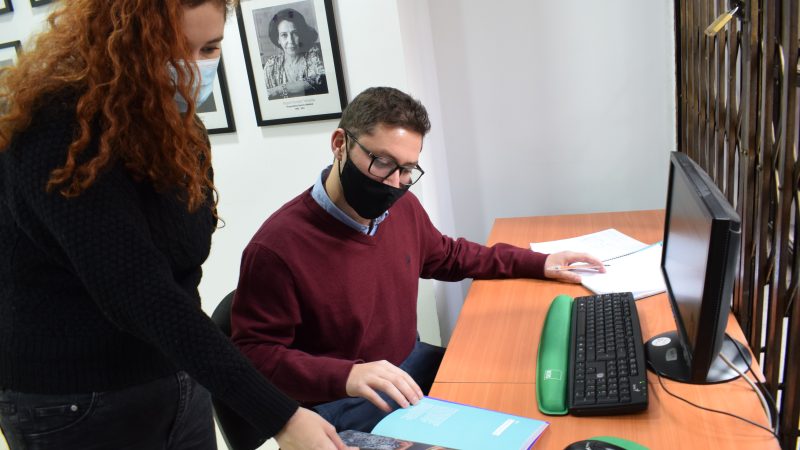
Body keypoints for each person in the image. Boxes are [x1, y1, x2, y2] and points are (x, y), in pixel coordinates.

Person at [0, 1, 350, 449]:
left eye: (210, 48)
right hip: (75, 396)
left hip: (175, 371)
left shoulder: (176, 128)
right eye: (173, 48)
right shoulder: (57, 128)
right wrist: (280, 415)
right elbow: (141, 293)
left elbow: (183, 270)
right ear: (122, 41)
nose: (195, 67)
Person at [231, 86, 604, 432]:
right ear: (340, 144)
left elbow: (450, 255)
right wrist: (348, 375)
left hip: (408, 371)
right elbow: (254, 356)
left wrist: (539, 262)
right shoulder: (276, 248)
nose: (395, 183)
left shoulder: (402, 207)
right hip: (342, 401)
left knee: (523, 402)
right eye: (382, 163)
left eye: (407, 170)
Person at [263, 8, 328, 100]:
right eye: (284, 35)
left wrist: (277, 90)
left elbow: (320, 79)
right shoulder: (272, 65)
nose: (291, 41)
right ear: (278, 39)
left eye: (295, 33)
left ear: (301, 34)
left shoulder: (313, 54)